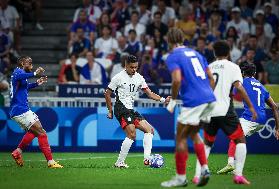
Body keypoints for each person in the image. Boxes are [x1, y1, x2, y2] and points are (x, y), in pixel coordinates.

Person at [193, 41, 257, 185]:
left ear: (214, 53)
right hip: (225, 109)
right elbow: (239, 87)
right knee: (240, 140)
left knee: (207, 144)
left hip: (209, 110)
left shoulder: (208, 67)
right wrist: (251, 106)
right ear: (228, 52)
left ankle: (197, 175)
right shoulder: (233, 67)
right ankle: (238, 175)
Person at [161, 28, 216, 187]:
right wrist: (205, 94)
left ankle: (180, 177)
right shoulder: (197, 54)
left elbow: (177, 80)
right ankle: (204, 169)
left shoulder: (173, 57)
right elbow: (211, 78)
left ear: (169, 41)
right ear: (183, 40)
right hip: (209, 99)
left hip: (194, 101)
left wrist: (173, 99)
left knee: (180, 138)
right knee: (193, 134)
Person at [217, 61, 279, 175]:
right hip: (263, 120)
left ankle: (230, 164)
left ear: (242, 72)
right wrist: (278, 128)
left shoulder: (241, 82)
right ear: (255, 73)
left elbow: (231, 95)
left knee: (235, 136)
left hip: (250, 118)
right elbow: (275, 107)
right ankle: (235, 166)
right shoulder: (261, 86)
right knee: (239, 139)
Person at [104, 55, 171, 168]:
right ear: (126, 65)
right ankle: (119, 162)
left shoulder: (139, 77)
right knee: (132, 134)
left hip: (130, 110)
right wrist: (110, 110)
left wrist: (163, 100)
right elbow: (107, 93)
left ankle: (147, 159)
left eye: (136, 67)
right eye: (131, 67)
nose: (134, 70)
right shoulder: (118, 77)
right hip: (121, 108)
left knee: (149, 130)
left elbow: (149, 93)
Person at [10, 56, 63, 168]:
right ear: (22, 63)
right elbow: (21, 76)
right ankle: (50, 162)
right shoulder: (17, 72)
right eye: (29, 63)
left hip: (20, 110)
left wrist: (37, 83)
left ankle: (17, 152)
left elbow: (24, 87)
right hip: (21, 110)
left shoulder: (20, 75)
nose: (31, 65)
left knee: (34, 132)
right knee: (42, 133)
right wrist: (34, 73)